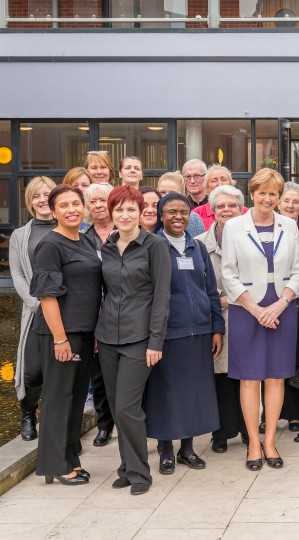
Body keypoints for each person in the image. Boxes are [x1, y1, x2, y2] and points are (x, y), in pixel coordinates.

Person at [221, 168, 299, 471]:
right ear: (252, 194)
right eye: (262, 192)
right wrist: (257, 310)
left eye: (273, 193)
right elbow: (228, 273)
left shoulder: (290, 226)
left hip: (282, 310)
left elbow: (298, 271)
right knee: (249, 378)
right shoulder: (233, 227)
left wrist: (280, 305)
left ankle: (270, 442)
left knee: (275, 377)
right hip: (246, 311)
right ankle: (253, 444)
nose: (267, 198)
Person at [95, 185, 172, 495]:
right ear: (111, 213)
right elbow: (105, 292)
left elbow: (162, 297)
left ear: (141, 213)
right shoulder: (108, 246)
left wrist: (156, 342)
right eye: (119, 209)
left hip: (140, 338)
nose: (124, 215)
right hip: (107, 337)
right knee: (116, 406)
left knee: (128, 406)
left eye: (131, 209)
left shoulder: (155, 246)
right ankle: (126, 467)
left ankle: (140, 473)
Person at [146, 192, 224, 475]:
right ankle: (166, 450)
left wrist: (217, 327)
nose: (178, 216)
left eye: (183, 211)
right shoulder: (152, 246)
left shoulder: (198, 247)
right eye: (171, 212)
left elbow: (211, 290)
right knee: (166, 392)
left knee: (193, 391)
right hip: (167, 333)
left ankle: (187, 449)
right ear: (161, 215)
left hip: (200, 331)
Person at [31, 184, 102, 486]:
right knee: (57, 398)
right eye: (64, 205)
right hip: (61, 333)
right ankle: (53, 464)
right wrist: (60, 339)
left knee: (74, 400)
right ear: (54, 210)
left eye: (76, 203)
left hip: (84, 332)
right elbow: (47, 296)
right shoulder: (51, 245)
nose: (72, 209)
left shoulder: (85, 240)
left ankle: (70, 456)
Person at [195, 185, 248, 454]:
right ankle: (221, 433)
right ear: (213, 210)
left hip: (249, 316)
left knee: (247, 376)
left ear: (241, 209)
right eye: (221, 206)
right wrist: (223, 301)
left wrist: (239, 298)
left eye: (232, 205)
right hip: (216, 318)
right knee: (220, 378)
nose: (226, 210)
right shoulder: (199, 243)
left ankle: (249, 429)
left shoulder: (251, 238)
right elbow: (198, 285)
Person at [11, 176, 57, 441]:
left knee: (61, 370)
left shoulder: (68, 228)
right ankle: (28, 413)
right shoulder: (20, 235)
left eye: (47, 194)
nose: (42, 200)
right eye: (36, 196)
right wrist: (35, 303)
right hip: (35, 311)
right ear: (30, 201)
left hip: (65, 310)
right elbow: (17, 275)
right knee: (33, 368)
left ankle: (56, 422)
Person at [267, 181, 299, 435]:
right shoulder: (268, 225)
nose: (290, 205)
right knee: (268, 360)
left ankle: (294, 414)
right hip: (267, 301)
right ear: (278, 203)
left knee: (291, 359)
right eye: (286, 201)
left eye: (296, 202)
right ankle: (269, 414)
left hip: (296, 301)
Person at [82, 182, 117, 447]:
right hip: (93, 315)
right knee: (100, 375)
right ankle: (104, 425)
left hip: (124, 312)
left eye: (102, 200)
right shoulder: (82, 238)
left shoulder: (125, 232)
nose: (97, 206)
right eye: (91, 201)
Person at [155, 171, 207, 236]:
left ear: (183, 193)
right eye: (162, 192)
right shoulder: (151, 216)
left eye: (172, 193)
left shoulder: (194, 220)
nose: (166, 196)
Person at [192, 165, 240, 229]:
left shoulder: (245, 213)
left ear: (231, 184)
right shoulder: (196, 215)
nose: (220, 184)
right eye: (214, 181)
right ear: (207, 188)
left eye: (224, 179)